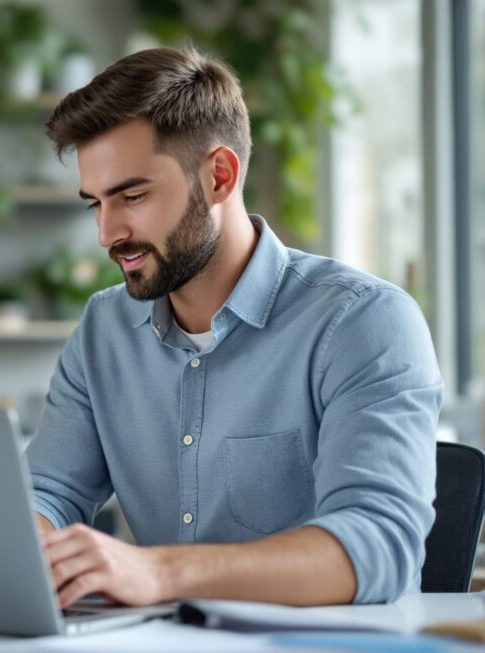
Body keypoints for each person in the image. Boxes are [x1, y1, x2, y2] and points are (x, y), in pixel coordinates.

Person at [28, 47, 442, 608]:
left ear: (219, 176)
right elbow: (48, 492)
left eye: (132, 196)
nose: (107, 234)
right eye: (94, 204)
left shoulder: (363, 322)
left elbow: (377, 545)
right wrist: (27, 543)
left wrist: (161, 572)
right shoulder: (104, 329)